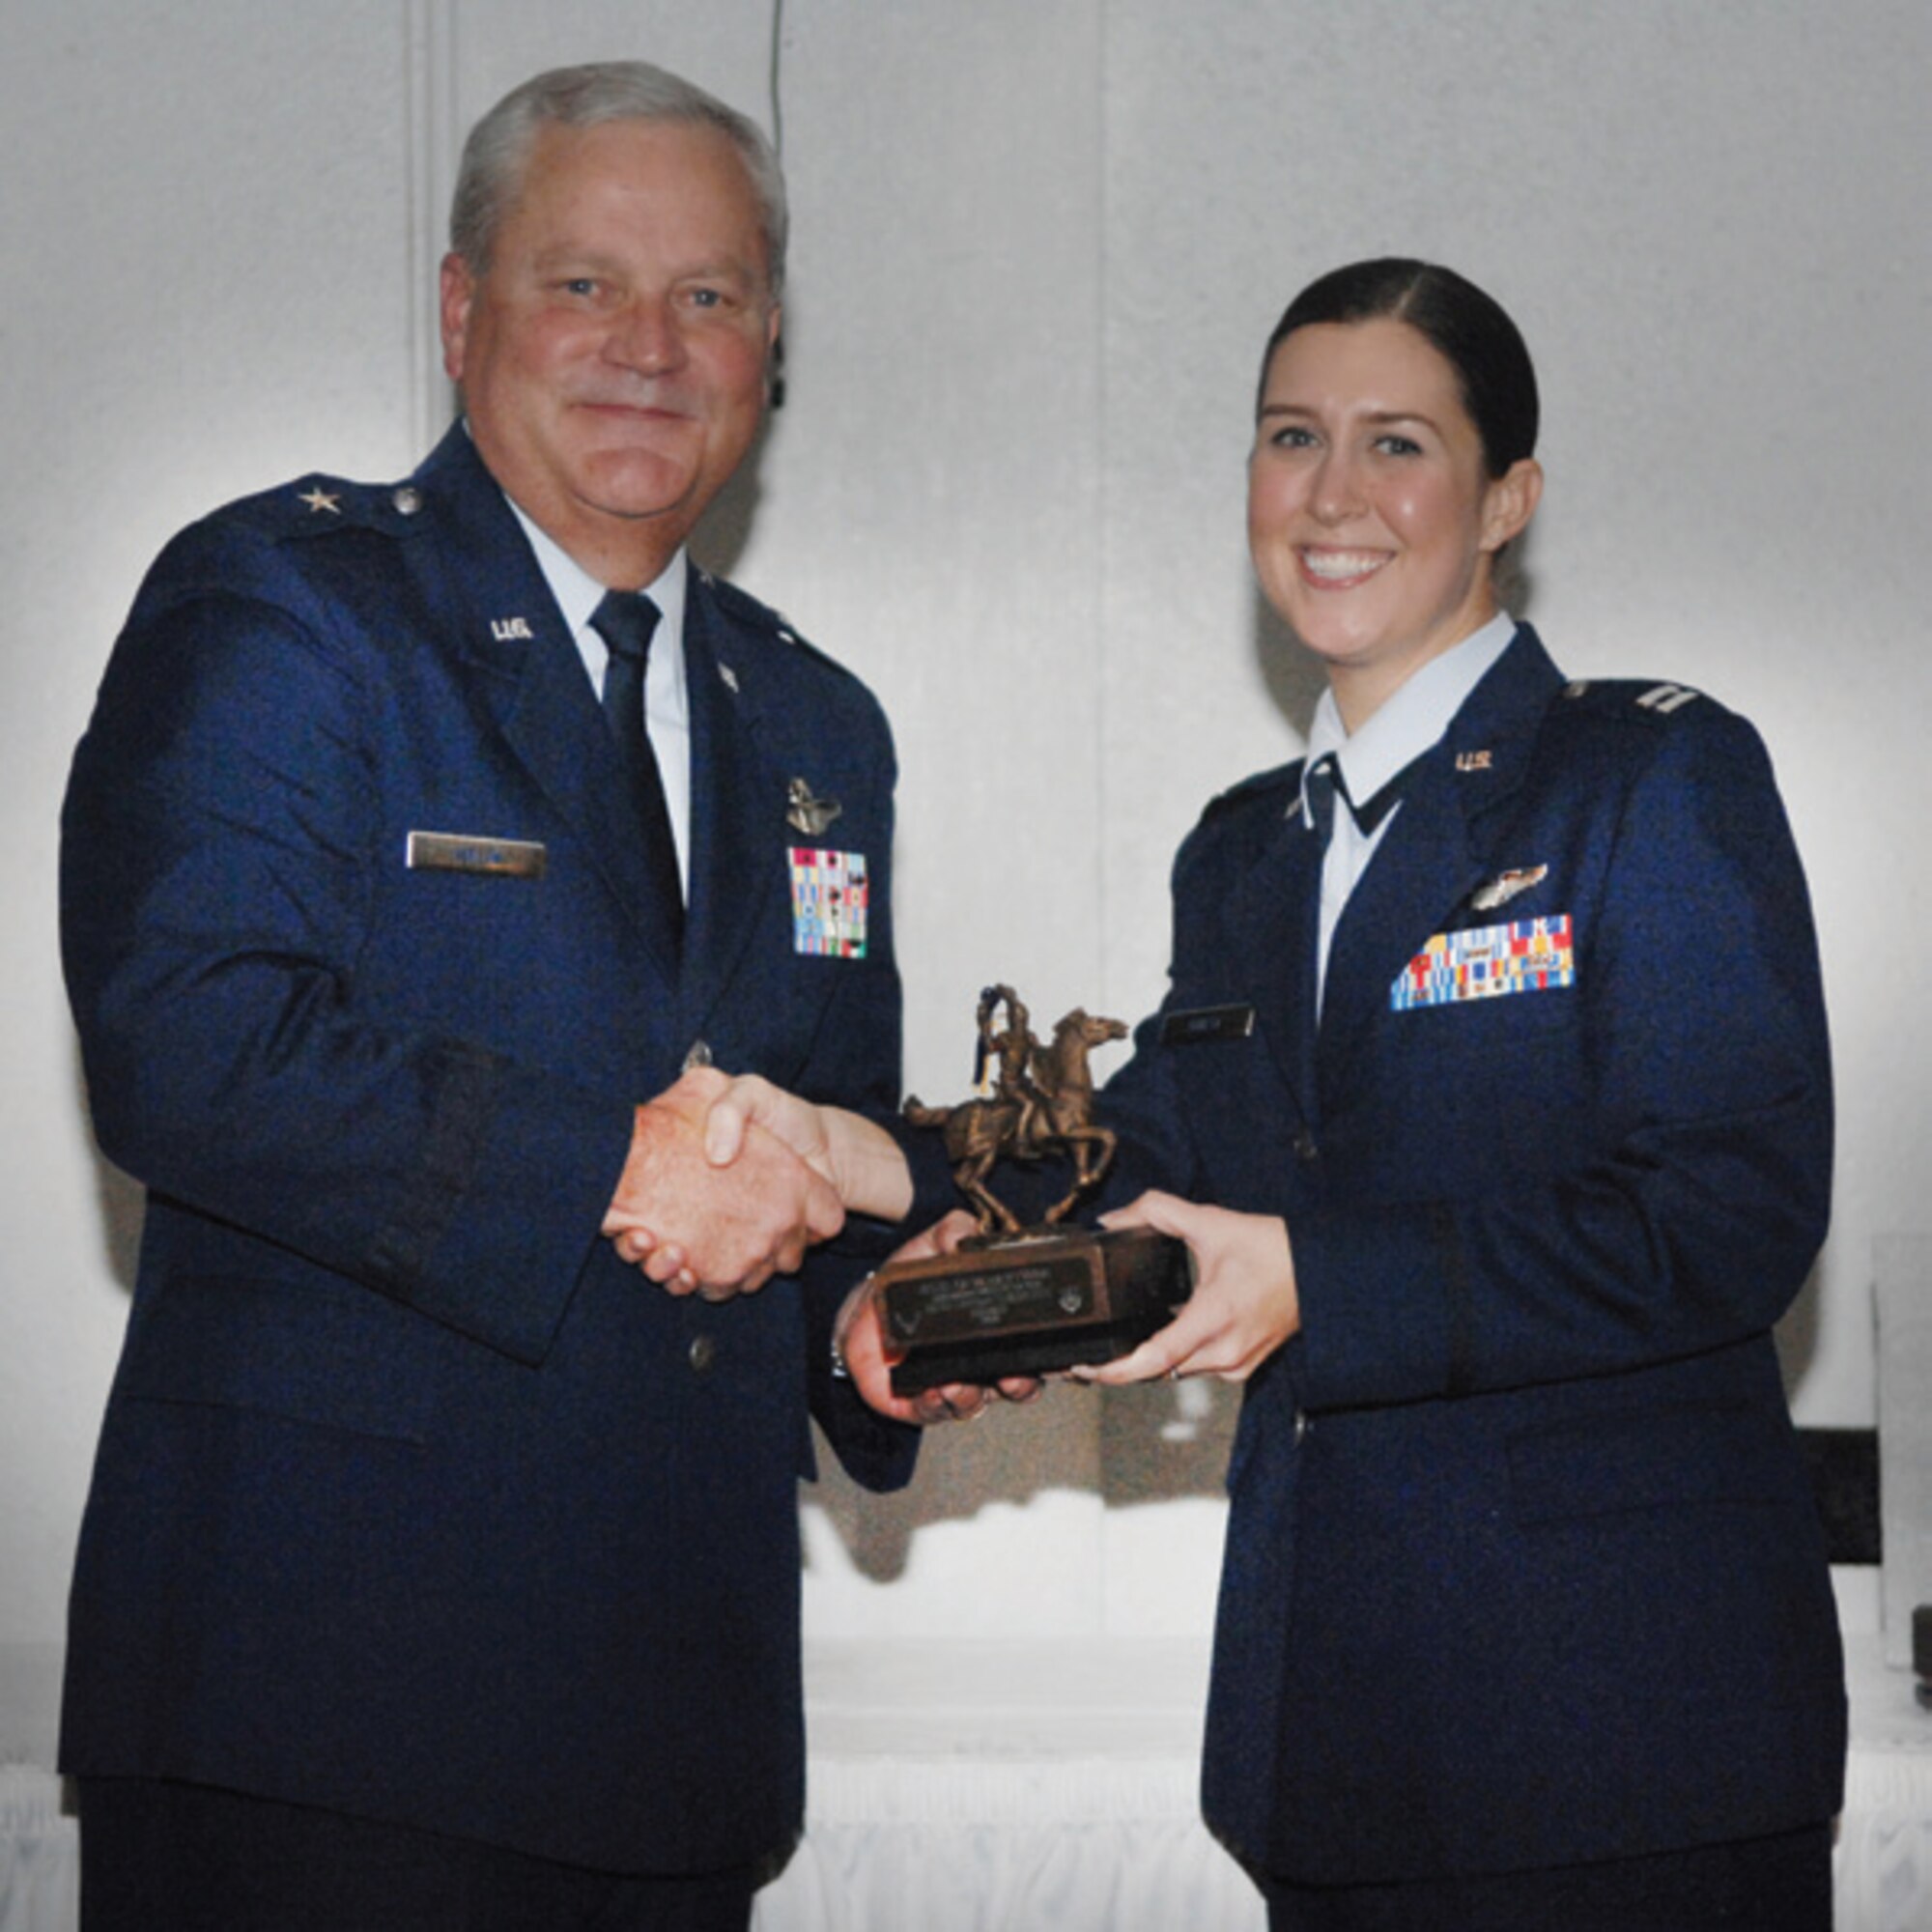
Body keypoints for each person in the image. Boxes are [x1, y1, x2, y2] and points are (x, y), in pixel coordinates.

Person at [706, 259, 1845, 1928]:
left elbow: (1729, 1217)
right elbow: (1144, 1145)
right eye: (1290, 436)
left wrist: (1317, 1280)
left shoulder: (1649, 777)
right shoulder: (1246, 850)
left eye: (1398, 445)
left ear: (1506, 497)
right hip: (1336, 1736)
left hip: (1629, 1740)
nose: (1330, 496)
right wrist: (860, 1161)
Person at [58, 59, 973, 1932]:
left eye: (709, 294)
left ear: (770, 340)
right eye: (586, 284)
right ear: (464, 310)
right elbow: (186, 1036)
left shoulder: (818, 727)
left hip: (677, 1739)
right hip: (321, 1728)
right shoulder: (289, 606)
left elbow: (812, 1149)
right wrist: (610, 1169)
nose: (652, 343)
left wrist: (874, 1328)